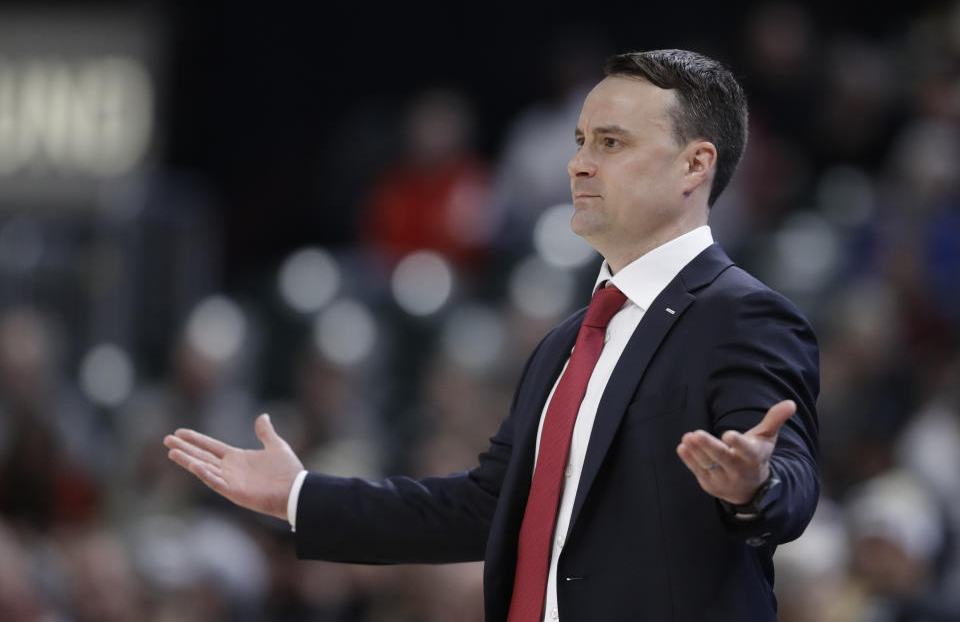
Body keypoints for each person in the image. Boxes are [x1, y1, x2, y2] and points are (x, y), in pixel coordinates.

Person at [164, 49, 820, 621]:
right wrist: (301, 497)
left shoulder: (742, 315)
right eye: (580, 140)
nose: (578, 165)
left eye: (610, 144)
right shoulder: (567, 342)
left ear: (693, 166)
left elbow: (785, 475)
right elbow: (483, 508)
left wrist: (754, 488)